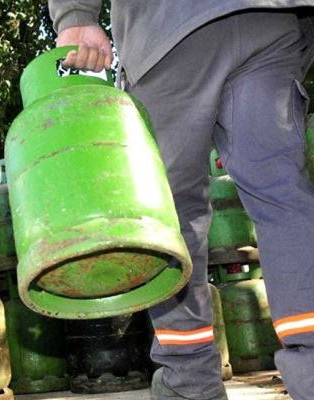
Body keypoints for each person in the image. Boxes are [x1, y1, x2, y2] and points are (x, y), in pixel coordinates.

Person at [47, 2, 314, 400]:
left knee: (172, 219)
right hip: (270, 20)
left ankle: (190, 384)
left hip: (168, 28)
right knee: (283, 199)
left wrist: (75, 16)